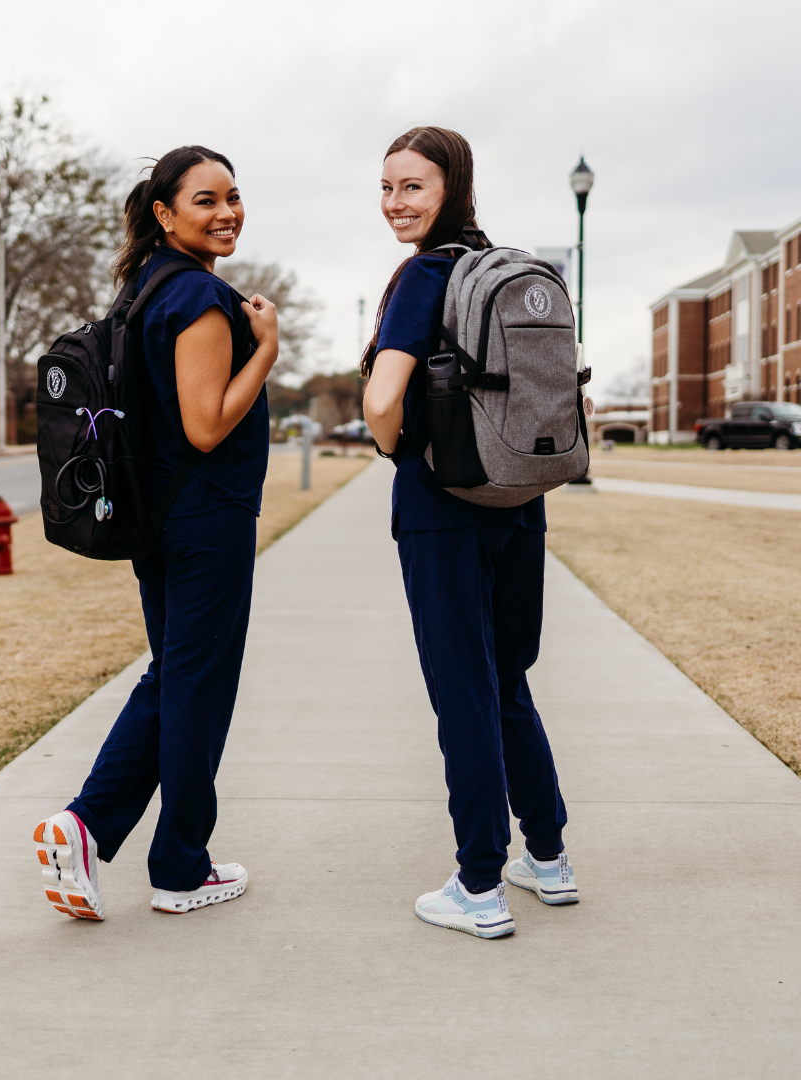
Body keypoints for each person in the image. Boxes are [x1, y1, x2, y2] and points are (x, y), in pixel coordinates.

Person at [33, 146, 278, 919]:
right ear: (166, 214)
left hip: (157, 516)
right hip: (206, 519)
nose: (227, 211)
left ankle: (89, 827)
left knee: (174, 676)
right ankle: (177, 865)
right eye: (205, 200)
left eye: (233, 196)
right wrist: (266, 349)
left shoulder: (142, 291)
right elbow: (206, 425)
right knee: (197, 686)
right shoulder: (200, 299)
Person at [361, 127, 577, 939]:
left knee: (463, 691)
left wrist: (396, 450)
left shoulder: (425, 276)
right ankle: (548, 860)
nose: (395, 203)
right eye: (386, 187)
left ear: (451, 186)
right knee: (507, 679)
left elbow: (386, 399)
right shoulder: (504, 268)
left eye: (412, 187)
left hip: (441, 504)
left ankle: (478, 885)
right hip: (520, 494)